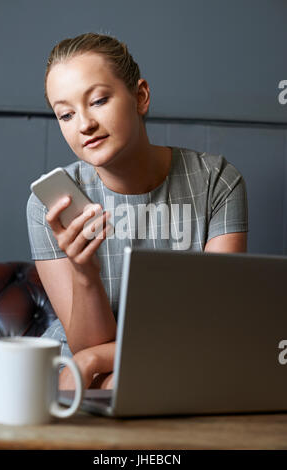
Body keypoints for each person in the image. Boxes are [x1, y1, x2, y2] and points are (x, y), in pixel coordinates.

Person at [26, 32, 248, 390]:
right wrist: (84, 272)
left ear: (140, 96)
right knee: (114, 384)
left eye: (98, 100)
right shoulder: (49, 205)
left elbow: (212, 324)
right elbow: (85, 346)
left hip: (176, 359)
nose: (84, 125)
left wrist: (98, 358)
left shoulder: (216, 182)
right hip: (86, 369)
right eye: (65, 114)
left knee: (133, 381)